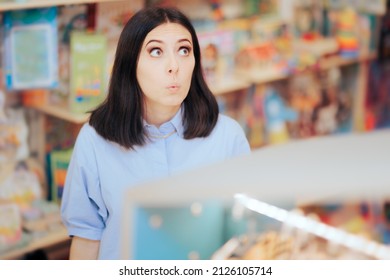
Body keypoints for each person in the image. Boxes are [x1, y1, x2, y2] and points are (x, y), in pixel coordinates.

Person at [61, 6, 250, 260]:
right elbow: (86, 240)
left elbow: (243, 235)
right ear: (131, 63)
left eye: (184, 50)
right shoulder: (95, 140)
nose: (174, 66)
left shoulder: (227, 137)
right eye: (156, 51)